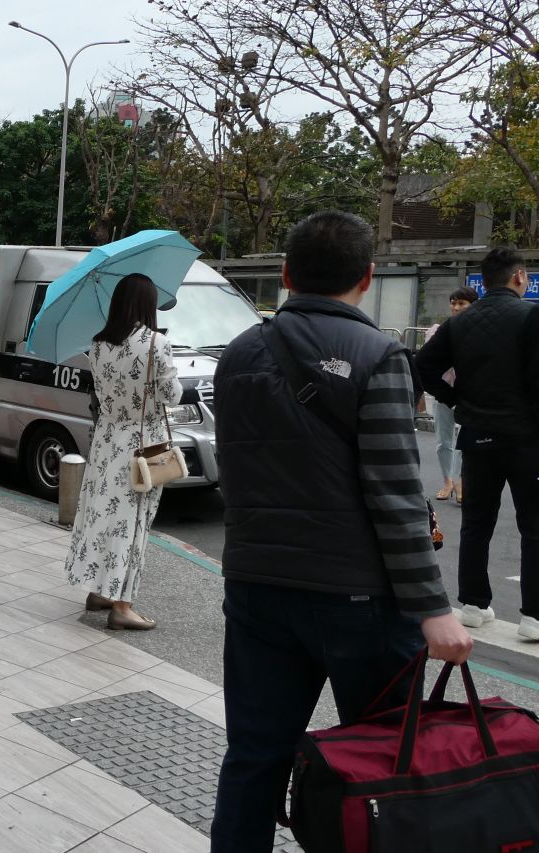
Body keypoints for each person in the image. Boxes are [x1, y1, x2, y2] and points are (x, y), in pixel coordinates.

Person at [210, 211, 472, 851]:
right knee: (390, 758)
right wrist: (433, 609)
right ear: (368, 277)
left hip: (256, 589)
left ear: (286, 274)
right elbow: (394, 493)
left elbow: (236, 475)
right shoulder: (379, 354)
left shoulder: (239, 354)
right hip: (359, 601)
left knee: (253, 758)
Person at [416, 248, 539, 637]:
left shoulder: (460, 323)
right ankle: (533, 616)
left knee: (476, 523)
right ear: (519, 277)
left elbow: (424, 366)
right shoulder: (532, 316)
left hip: (476, 435)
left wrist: (456, 400)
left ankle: (473, 603)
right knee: (533, 526)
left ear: (482, 283)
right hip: (526, 438)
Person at [63, 273, 182, 631]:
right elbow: (171, 395)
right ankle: (123, 605)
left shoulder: (98, 345)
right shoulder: (155, 344)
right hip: (141, 448)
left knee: (102, 518)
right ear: (147, 304)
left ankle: (99, 591)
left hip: (106, 443)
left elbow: (100, 395)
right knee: (133, 525)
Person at [423, 286, 478, 504]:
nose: (456, 307)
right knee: (442, 441)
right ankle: (448, 481)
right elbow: (428, 362)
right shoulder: (438, 330)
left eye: (461, 303)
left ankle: (459, 481)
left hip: (467, 392)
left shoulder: (478, 331)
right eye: (453, 303)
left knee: (462, 440)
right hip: (444, 391)